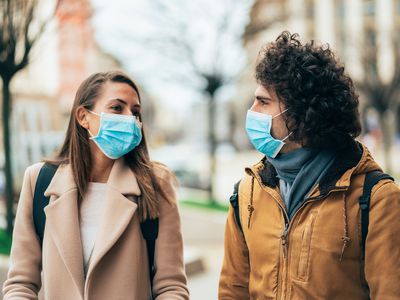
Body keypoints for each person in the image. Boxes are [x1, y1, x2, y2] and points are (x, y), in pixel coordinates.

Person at [219, 31, 400, 299]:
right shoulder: (247, 192)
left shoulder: (376, 199)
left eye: (264, 101)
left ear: (302, 114)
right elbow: (232, 290)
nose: (252, 110)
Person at [3, 71, 189, 299]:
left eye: (136, 112)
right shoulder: (38, 181)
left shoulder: (156, 185)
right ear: (83, 116)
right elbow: (20, 283)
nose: (130, 118)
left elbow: (171, 287)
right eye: (117, 108)